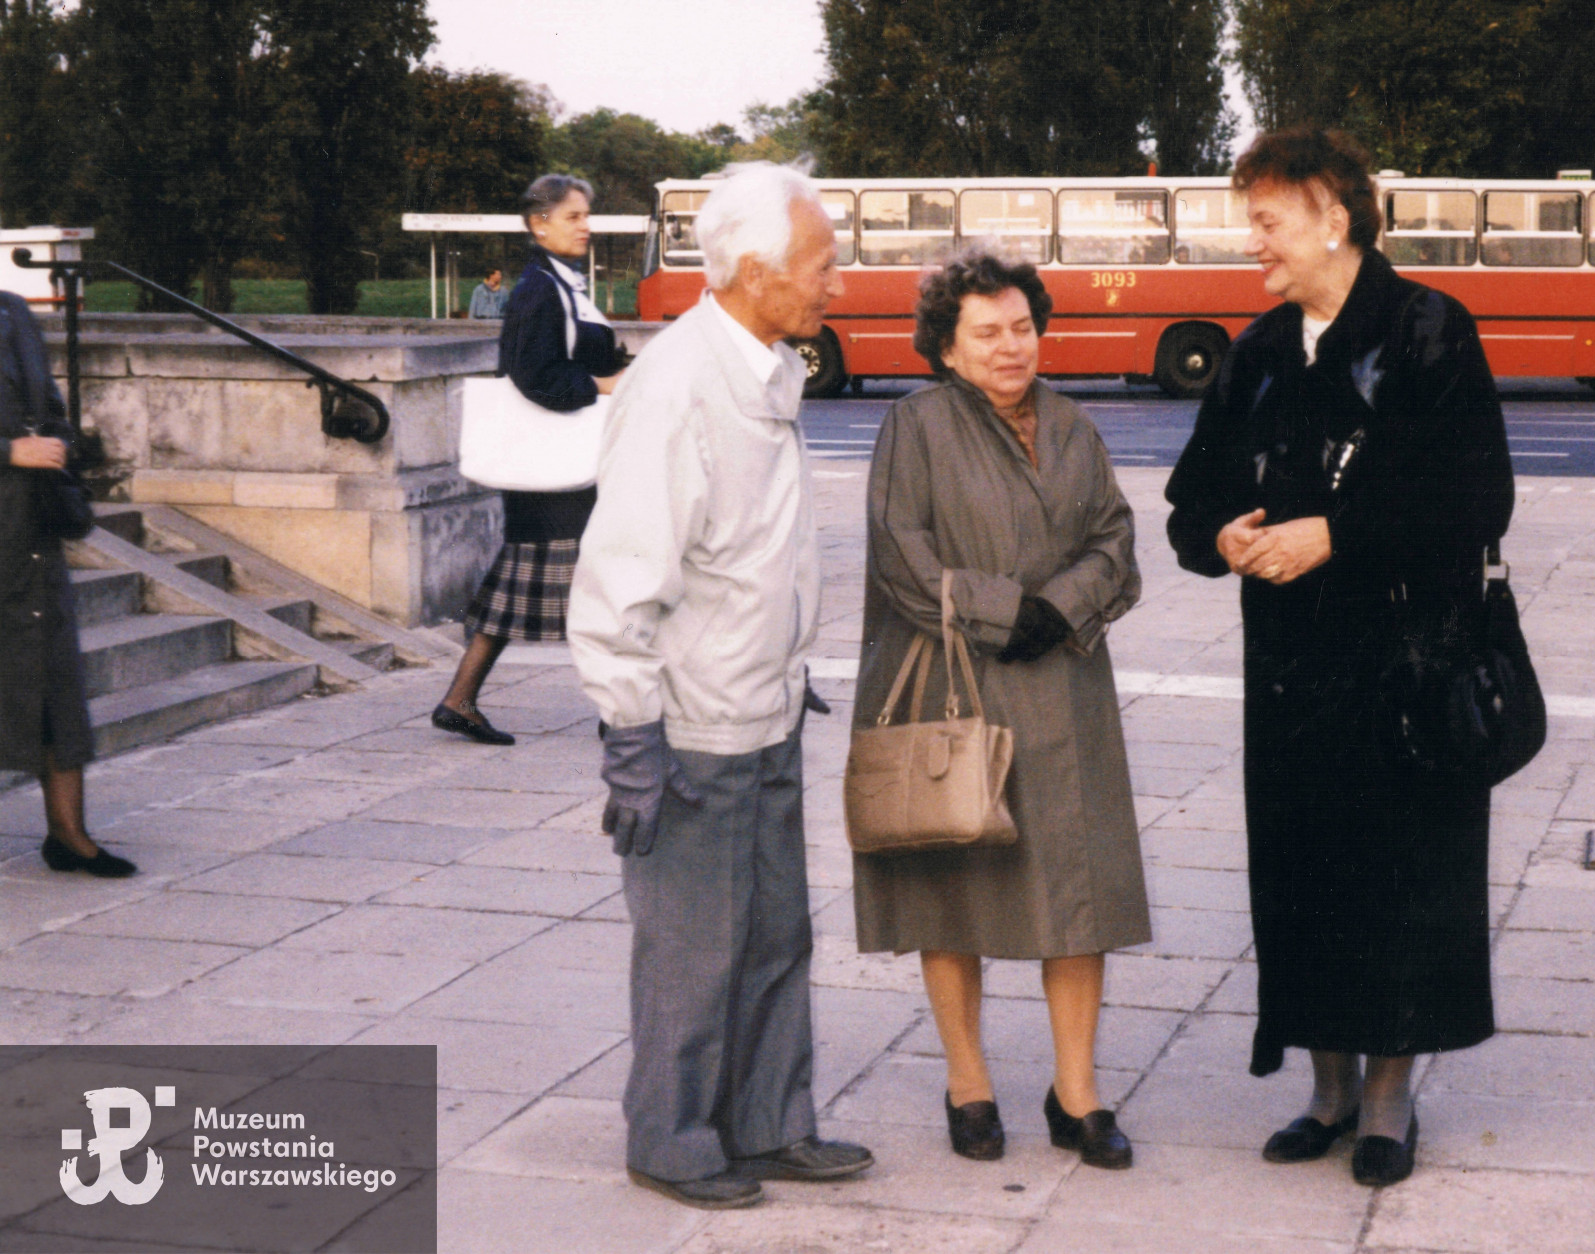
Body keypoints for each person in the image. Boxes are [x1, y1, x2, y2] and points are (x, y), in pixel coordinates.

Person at [1165, 128, 1515, 1189]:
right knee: (1305, 875)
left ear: (1333, 213)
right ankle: (1324, 1087)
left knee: (1407, 877)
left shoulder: (1426, 333)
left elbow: (1478, 498)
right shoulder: (1260, 351)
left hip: (1407, 670)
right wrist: (1222, 536)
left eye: (1267, 221)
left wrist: (1334, 534)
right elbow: (1191, 503)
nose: (1252, 244)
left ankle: (1387, 1100)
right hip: (1293, 682)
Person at [567, 161, 870, 1210]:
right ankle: (673, 1133)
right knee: (695, 949)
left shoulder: (763, 365)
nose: (839, 277)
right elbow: (621, 577)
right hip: (692, 727)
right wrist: (630, 736)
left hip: (766, 708)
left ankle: (770, 1121)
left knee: (777, 935)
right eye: (823, 260)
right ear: (753, 271)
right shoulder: (681, 385)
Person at [853, 251, 1149, 1169]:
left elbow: (1116, 536)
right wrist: (1001, 611)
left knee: (1081, 892)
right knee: (953, 889)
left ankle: (1078, 1093)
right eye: (987, 332)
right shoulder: (915, 424)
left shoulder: (1071, 422)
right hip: (952, 680)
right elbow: (901, 556)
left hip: (1063, 681)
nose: (1011, 346)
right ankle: (969, 1082)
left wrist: (1059, 608)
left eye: (1022, 326)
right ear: (946, 347)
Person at [432, 175, 627, 746]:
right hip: (555, 466)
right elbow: (535, 376)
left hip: (557, 464)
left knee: (527, 589)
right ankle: (618, 712)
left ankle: (459, 699)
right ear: (538, 224)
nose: (585, 225)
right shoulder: (540, 289)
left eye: (586, 214)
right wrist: (604, 384)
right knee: (599, 586)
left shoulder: (558, 283)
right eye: (573, 216)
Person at [0, 291, 136, 878]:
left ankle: (69, 833)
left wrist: (59, 445)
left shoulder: (12, 311)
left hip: (30, 527)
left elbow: (49, 402)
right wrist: (9, 450)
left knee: (55, 676)